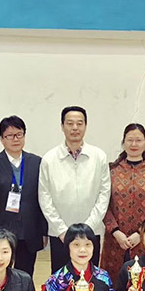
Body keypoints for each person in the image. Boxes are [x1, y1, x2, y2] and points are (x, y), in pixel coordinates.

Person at [39, 106, 111, 273]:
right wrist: (62, 230)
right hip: (60, 235)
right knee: (61, 280)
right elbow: (44, 197)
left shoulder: (99, 156)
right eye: (70, 123)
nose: (75, 128)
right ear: (62, 126)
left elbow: (104, 194)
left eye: (79, 123)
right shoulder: (49, 159)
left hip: (92, 233)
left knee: (90, 279)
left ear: (85, 126)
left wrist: (88, 229)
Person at [0, 116, 47, 276]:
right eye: (9, 135)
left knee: (26, 274)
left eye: (19, 134)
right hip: (2, 231)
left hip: (30, 230)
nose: (15, 139)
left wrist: (43, 231)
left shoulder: (37, 163)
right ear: (2, 139)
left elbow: (43, 199)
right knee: (0, 272)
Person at [102, 123, 145, 285]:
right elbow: (103, 204)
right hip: (115, 240)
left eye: (138, 140)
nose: (134, 144)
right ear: (123, 142)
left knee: (143, 285)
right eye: (130, 140)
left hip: (144, 240)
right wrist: (115, 231)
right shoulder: (112, 170)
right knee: (114, 284)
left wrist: (142, 232)